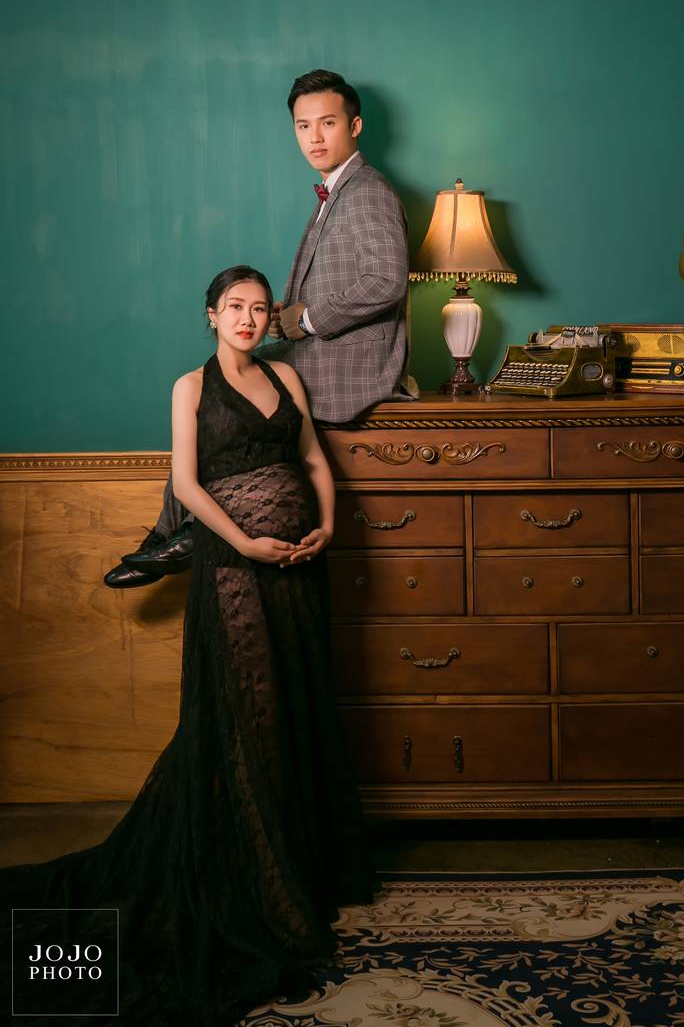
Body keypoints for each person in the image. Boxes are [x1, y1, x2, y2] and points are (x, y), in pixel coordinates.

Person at [0, 266, 376, 1026]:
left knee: (295, 705)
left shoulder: (287, 380)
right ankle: (257, 875)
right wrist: (246, 544)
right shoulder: (190, 388)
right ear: (211, 315)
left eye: (259, 309)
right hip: (235, 570)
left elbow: (312, 461)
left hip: (300, 568)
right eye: (234, 307)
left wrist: (327, 528)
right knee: (248, 716)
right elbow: (189, 485)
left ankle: (299, 865)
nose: (247, 319)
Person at [106, 69, 417, 589]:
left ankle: (177, 536)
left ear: (355, 125)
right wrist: (284, 316)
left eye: (328, 123)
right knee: (218, 382)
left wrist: (306, 319)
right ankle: (176, 532)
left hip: (348, 369)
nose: (314, 137)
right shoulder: (338, 191)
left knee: (219, 389)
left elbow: (387, 281)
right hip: (323, 352)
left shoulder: (367, 190)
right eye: (303, 126)